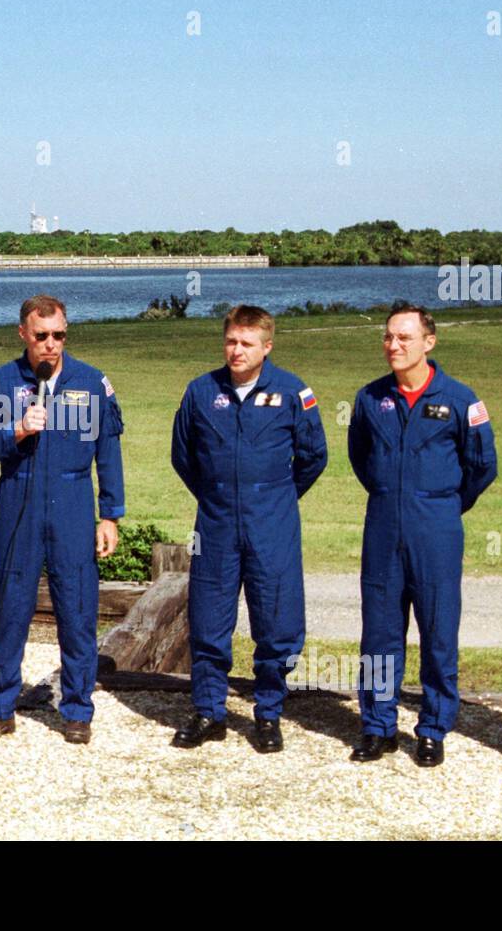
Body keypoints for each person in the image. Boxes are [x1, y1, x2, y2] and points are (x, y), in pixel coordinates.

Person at [0, 295, 125, 744]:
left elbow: (108, 454)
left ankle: (76, 708)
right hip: (18, 503)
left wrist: (110, 515)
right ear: (23, 334)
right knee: (10, 609)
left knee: (77, 610)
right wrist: (16, 431)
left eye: (59, 336)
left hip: (73, 503)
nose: (50, 345)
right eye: (41, 336)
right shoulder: (0, 382)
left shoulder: (92, 383)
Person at [170, 306, 327, 751]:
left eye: (247, 343)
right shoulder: (202, 392)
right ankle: (208, 711)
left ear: (267, 346)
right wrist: (217, 496)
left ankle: (268, 713)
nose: (236, 351)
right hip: (216, 522)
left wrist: (274, 497)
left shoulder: (293, 392)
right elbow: (183, 456)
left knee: (277, 622)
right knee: (208, 620)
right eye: (231, 342)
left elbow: (314, 457)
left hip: (271, 524)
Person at [347, 303, 497, 766]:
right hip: (383, 527)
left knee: (437, 632)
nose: (393, 345)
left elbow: (482, 466)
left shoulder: (460, 399)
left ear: (429, 342)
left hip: (437, 528)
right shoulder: (370, 398)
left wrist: (445, 503)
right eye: (389, 337)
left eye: (404, 338)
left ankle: (432, 729)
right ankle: (378, 726)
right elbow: (360, 457)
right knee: (380, 634)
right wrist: (392, 494)